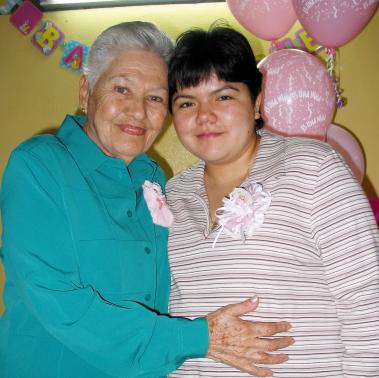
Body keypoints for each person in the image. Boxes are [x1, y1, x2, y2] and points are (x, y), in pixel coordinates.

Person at [0, 21, 294, 378]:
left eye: (155, 97)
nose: (138, 111)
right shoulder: (40, 165)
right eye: (121, 89)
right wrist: (200, 338)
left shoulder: (154, 178)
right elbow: (62, 304)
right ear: (85, 92)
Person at [166, 25, 379, 377]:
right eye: (187, 102)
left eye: (224, 96)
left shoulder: (314, 168)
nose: (204, 115)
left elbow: (366, 311)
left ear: (257, 102)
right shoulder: (170, 196)